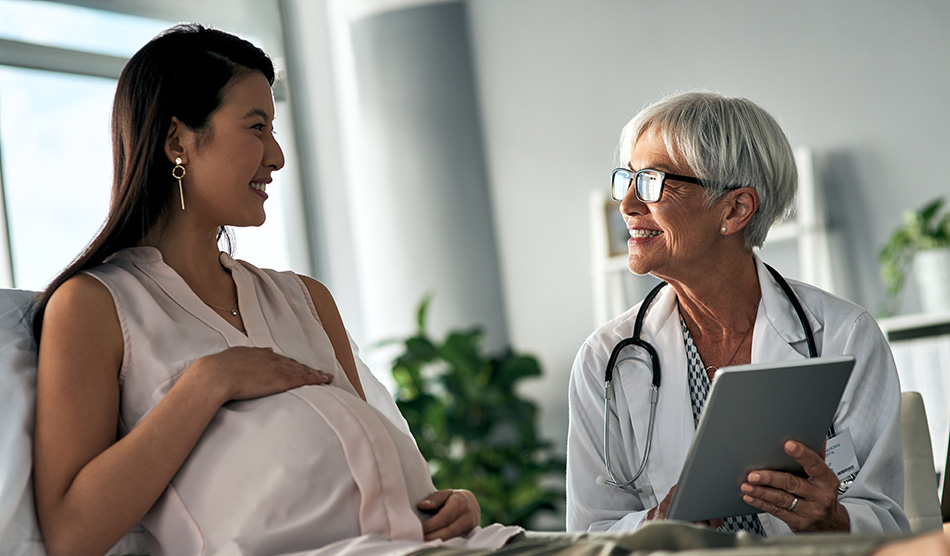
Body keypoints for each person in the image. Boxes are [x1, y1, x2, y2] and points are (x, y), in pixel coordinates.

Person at [30, 24, 506, 556]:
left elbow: (364, 457)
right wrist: (208, 383)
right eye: (257, 127)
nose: (277, 156)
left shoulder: (305, 299)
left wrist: (447, 502)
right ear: (175, 141)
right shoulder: (95, 306)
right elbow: (72, 532)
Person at [566, 92, 911, 537]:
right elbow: (589, 533)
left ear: (735, 208)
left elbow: (888, 524)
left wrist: (834, 520)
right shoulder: (605, 360)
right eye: (626, 179)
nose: (627, 205)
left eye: (650, 181)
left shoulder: (845, 336)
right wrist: (656, 527)